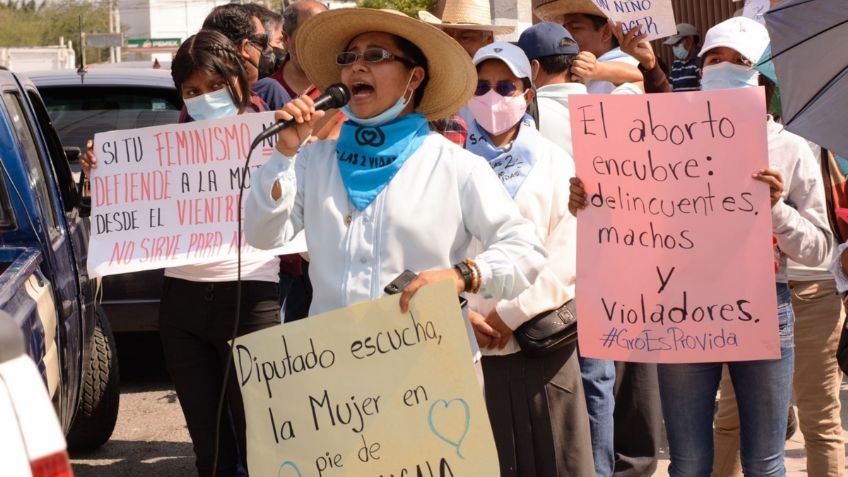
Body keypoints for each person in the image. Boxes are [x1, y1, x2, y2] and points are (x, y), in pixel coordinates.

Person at [571, 16, 832, 477]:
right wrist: (590, 201)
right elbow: (628, 209)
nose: (724, 68)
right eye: (715, 58)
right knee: (688, 462)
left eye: (739, 61)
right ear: (701, 66)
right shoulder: (664, 140)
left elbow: (819, 250)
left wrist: (775, 209)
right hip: (683, 308)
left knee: (765, 461)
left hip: (763, 306)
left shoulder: (791, 148)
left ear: (761, 74)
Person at [244, 8, 546, 353]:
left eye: (376, 56)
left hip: (427, 375)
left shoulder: (456, 167)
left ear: (414, 78)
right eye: (349, 57)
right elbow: (263, 234)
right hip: (336, 375)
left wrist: (462, 276)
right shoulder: (312, 162)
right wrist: (284, 153)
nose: (357, 66)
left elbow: (526, 250)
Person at [82, 30, 282, 476]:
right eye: (192, 91)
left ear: (239, 80)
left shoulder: (278, 135)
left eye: (214, 86)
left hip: (253, 302)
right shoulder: (165, 150)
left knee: (262, 439)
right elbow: (128, 207)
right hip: (182, 305)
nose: (205, 98)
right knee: (208, 446)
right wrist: (101, 170)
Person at [462, 40, 595, 476]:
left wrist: (510, 315)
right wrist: (465, 314)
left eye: (505, 86)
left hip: (541, 341)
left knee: (558, 457)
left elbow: (566, 251)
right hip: (470, 344)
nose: (492, 98)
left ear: (528, 94)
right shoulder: (452, 164)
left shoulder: (557, 163)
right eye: (481, 87)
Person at [534, 0, 643, 94]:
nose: (566, 35)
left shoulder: (630, 63)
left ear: (606, 32)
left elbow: (642, 76)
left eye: (575, 28)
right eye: (565, 29)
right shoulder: (577, 68)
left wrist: (599, 70)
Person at [203, 3, 287, 110]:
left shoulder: (195, 106)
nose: (269, 48)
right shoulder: (269, 90)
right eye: (263, 40)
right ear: (245, 47)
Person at [417, 0, 513, 58]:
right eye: (448, 35)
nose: (454, 42)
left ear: (488, 40)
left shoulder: (496, 82)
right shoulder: (430, 78)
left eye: (465, 37)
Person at [663, 23, 701, 92]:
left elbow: (705, 90)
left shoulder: (700, 62)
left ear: (690, 40)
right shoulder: (676, 64)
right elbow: (669, 89)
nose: (674, 48)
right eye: (673, 45)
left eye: (677, 44)